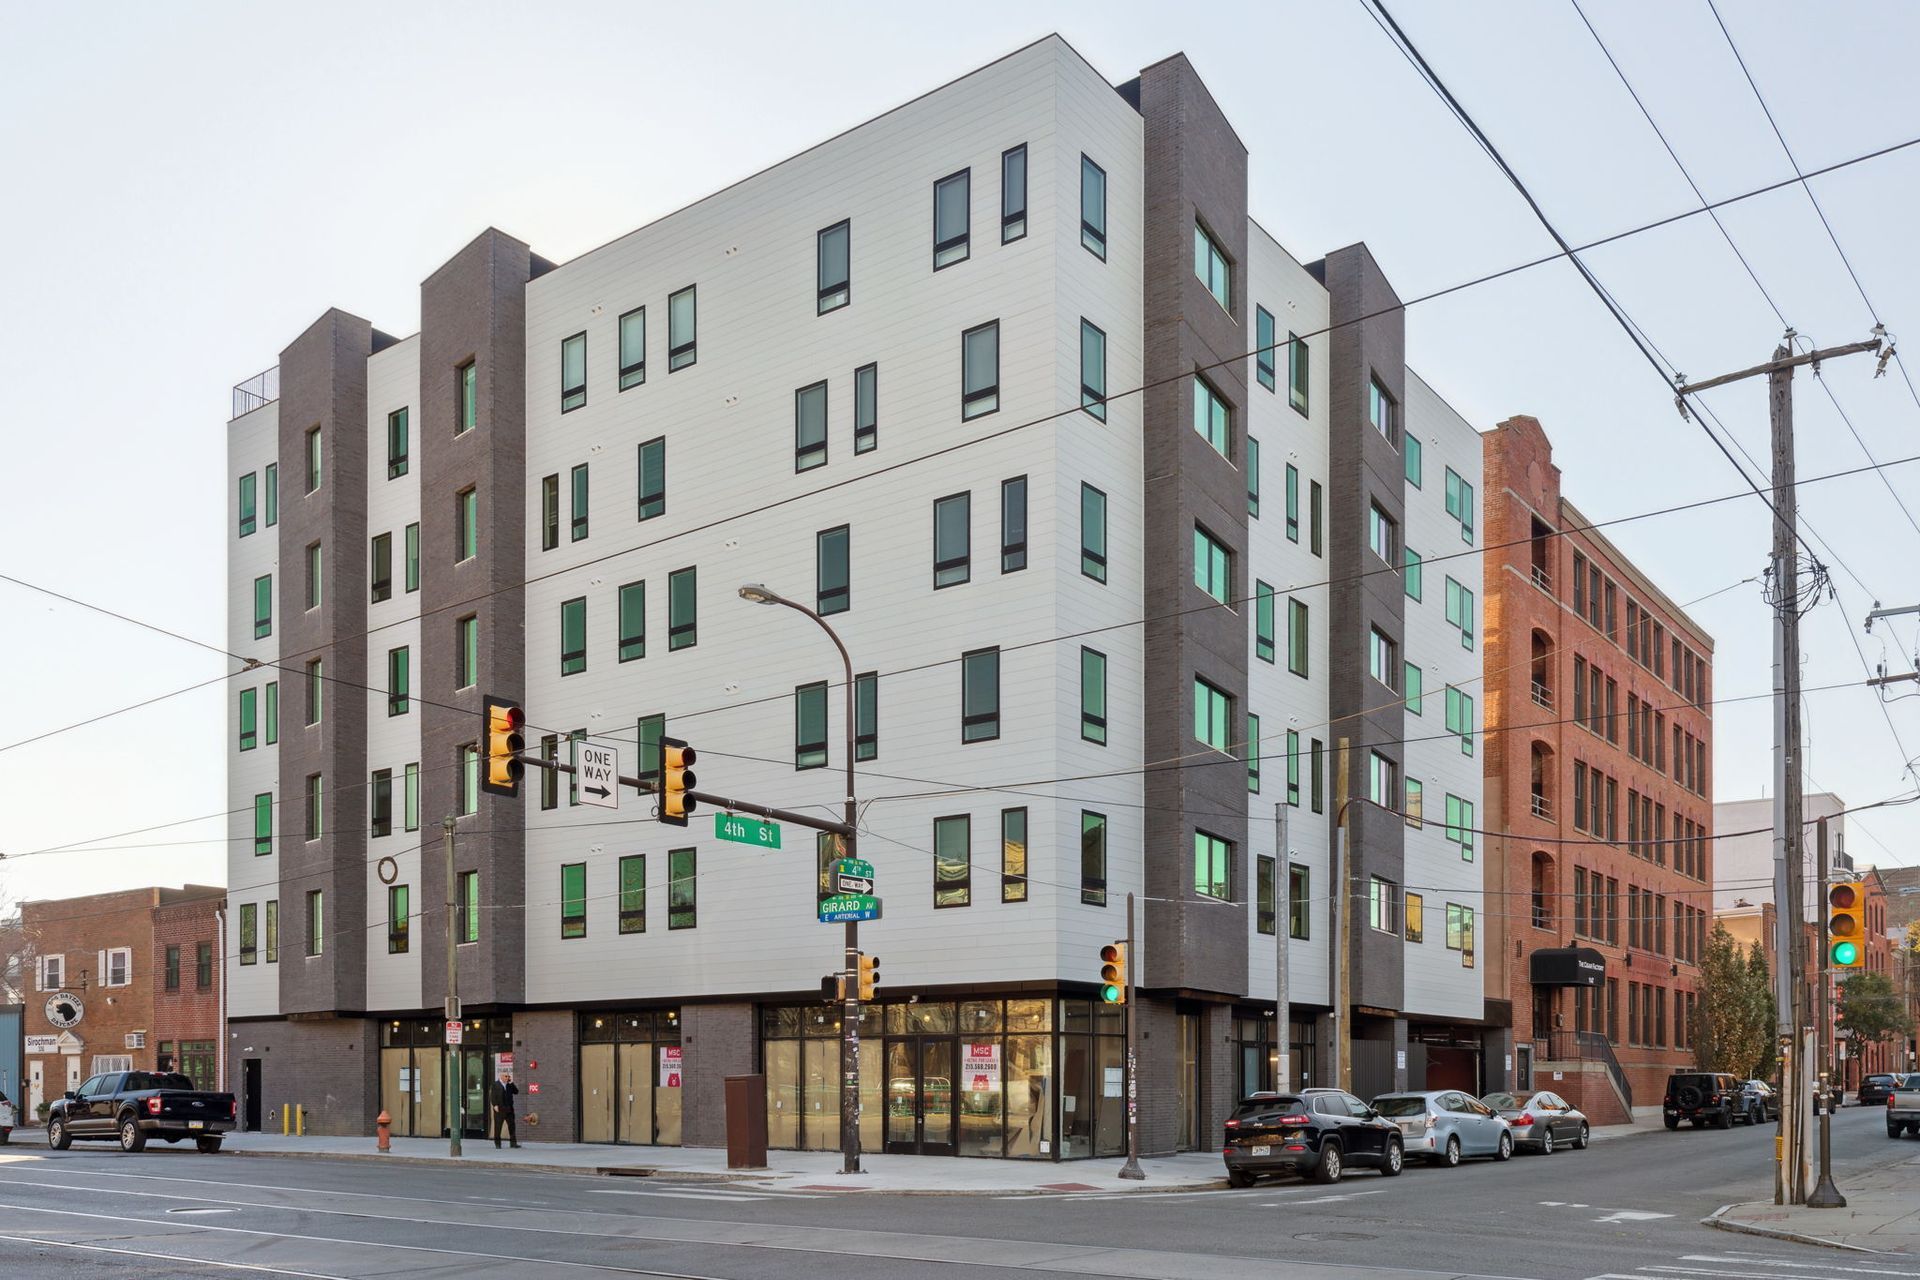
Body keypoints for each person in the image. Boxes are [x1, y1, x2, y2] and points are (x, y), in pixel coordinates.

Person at [492, 1070, 520, 1149]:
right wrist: (495, 1105)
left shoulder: (509, 1085)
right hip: (499, 1109)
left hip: (509, 1109)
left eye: (508, 1076)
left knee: (512, 1126)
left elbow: (516, 1092)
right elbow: (492, 1096)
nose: (507, 1078)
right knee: (498, 1127)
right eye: (506, 1076)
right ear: (501, 1076)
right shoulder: (495, 1085)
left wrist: (511, 1083)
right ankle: (497, 1144)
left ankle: (513, 1143)